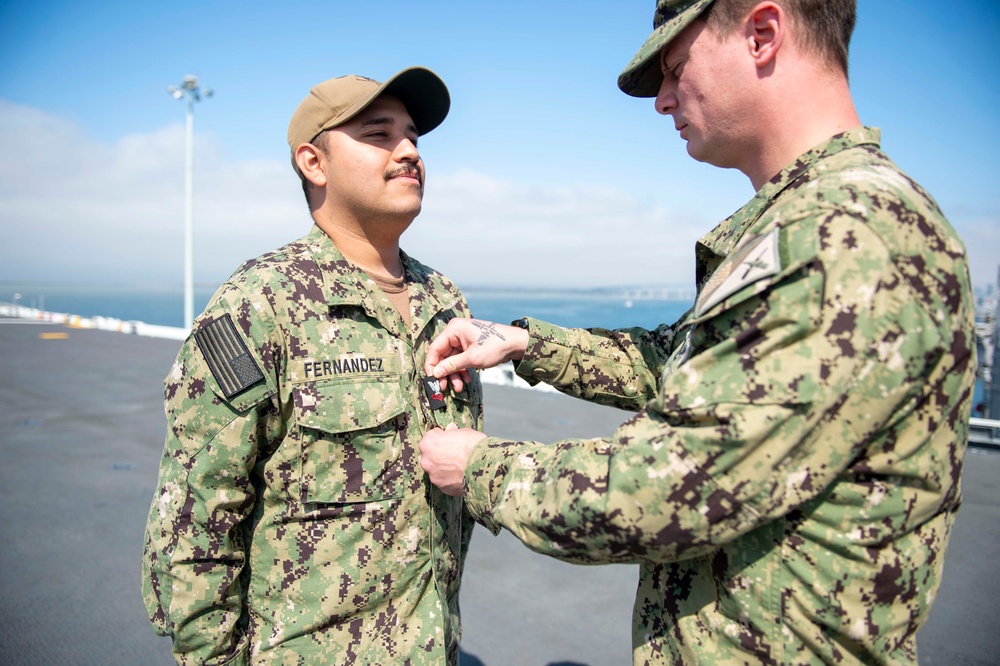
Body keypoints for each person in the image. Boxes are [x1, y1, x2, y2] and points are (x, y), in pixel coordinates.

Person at [419, 2, 976, 664]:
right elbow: (702, 371)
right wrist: (529, 346)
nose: (661, 100)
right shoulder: (807, 222)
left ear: (763, 35)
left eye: (675, 68)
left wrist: (477, 466)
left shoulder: (843, 235)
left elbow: (668, 489)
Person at [141, 67, 483, 665]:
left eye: (414, 138)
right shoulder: (260, 303)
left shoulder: (442, 299)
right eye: (379, 135)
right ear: (314, 163)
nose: (409, 152)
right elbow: (198, 517)